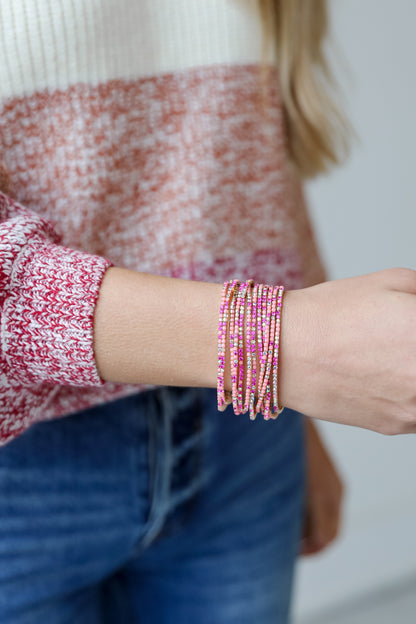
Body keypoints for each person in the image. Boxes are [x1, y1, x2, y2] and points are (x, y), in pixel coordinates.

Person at [1, 1, 416, 622]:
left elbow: (250, 156)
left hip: (247, 435)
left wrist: (304, 419)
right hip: (24, 471)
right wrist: (279, 348)